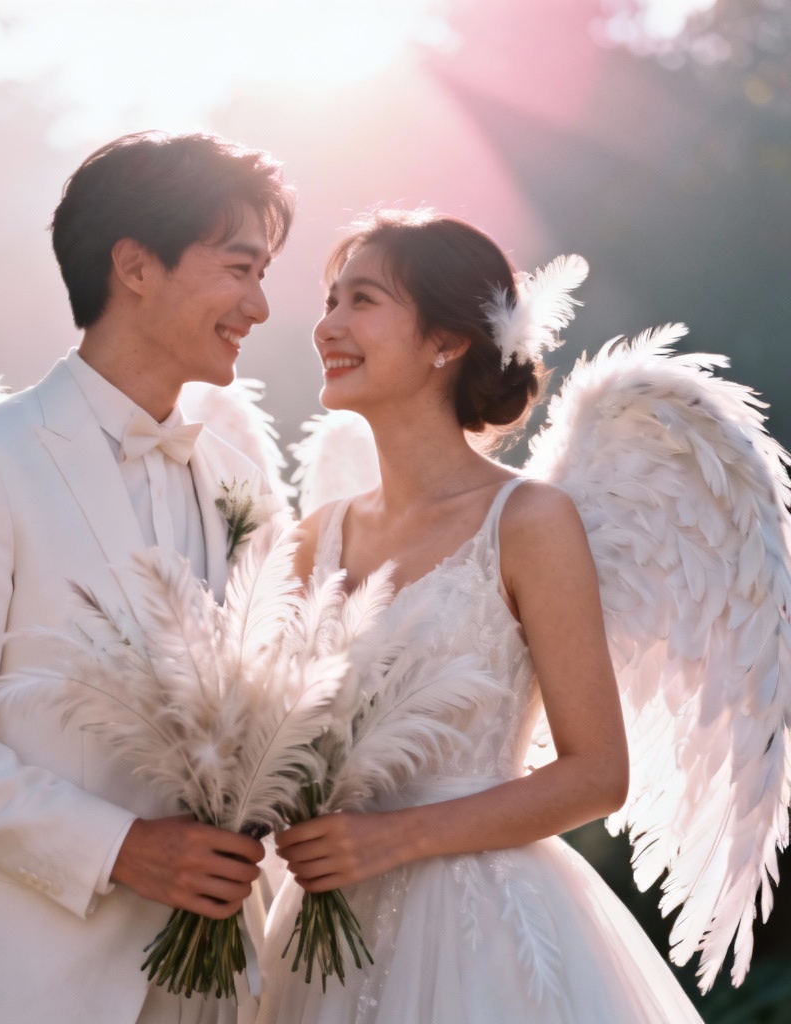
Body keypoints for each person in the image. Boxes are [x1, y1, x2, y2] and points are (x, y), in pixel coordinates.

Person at [0, 131, 294, 1024]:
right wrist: (122, 848)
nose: (259, 305)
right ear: (135, 266)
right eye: (239, 268)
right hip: (35, 976)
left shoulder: (236, 479)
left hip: (225, 979)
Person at [256, 211, 707, 1023]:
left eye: (362, 300)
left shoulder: (529, 521)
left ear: (446, 341)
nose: (329, 325)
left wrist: (391, 841)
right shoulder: (313, 539)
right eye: (329, 302)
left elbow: (597, 774)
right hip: (324, 940)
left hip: (483, 935)